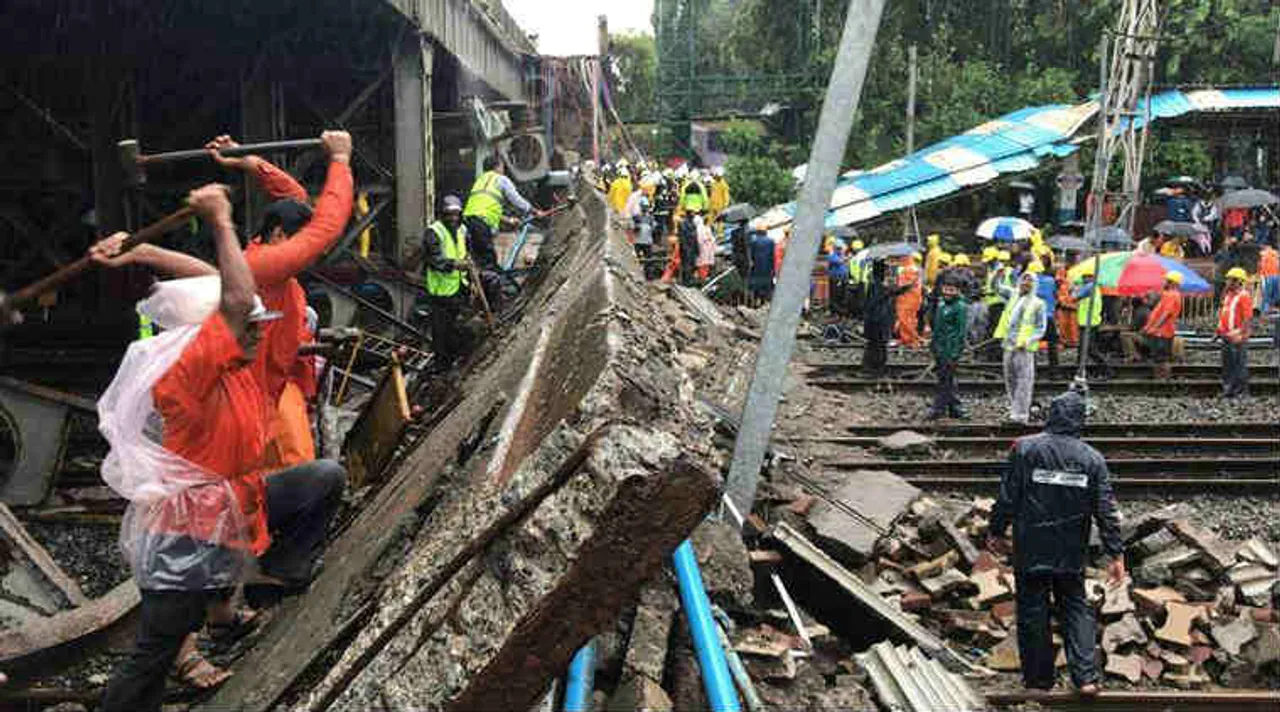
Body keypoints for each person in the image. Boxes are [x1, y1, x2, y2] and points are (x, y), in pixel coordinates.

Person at [97, 185, 345, 711]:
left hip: (231, 509)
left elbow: (218, 285)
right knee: (155, 652)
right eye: (251, 329)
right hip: (186, 536)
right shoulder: (189, 372)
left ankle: (273, 577)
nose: (258, 336)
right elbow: (232, 299)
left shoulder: (231, 364)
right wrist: (221, 219)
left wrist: (144, 252)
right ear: (213, 335)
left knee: (323, 478)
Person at [987, 388, 1125, 696]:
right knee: (1076, 608)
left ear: (1051, 415)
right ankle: (1086, 677)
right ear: (1080, 421)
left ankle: (1038, 681)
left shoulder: (1024, 449)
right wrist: (1115, 553)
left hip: (1031, 545)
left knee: (1033, 612)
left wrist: (995, 530)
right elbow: (1105, 510)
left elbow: (1007, 497)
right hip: (1070, 549)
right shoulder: (1092, 459)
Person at [412, 195, 471, 370]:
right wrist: (454, 264)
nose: (453, 218)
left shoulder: (463, 230)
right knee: (441, 332)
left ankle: (456, 360)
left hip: (460, 287)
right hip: (441, 293)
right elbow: (434, 260)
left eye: (456, 214)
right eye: (449, 214)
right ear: (442, 214)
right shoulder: (434, 231)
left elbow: (467, 252)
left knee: (456, 328)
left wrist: (468, 265)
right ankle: (442, 367)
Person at [463, 155, 542, 272]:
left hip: (467, 222)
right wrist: (535, 211)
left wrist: (508, 220)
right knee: (489, 263)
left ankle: (481, 285)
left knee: (478, 261)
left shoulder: (480, 180)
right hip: (481, 225)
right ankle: (494, 287)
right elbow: (516, 200)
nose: (503, 168)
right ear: (498, 167)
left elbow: (485, 209)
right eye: (502, 165)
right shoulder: (501, 179)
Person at [995, 272, 1047, 425]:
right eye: (1024, 279)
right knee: (1009, 379)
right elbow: (997, 288)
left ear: (1034, 284)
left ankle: (1020, 416)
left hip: (1024, 348)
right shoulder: (1013, 295)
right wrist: (997, 276)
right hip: (1009, 344)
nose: (1026, 283)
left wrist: (1029, 340)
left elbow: (1040, 328)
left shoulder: (1038, 304)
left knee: (1024, 381)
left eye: (1029, 281)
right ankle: (1014, 410)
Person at [927, 274, 969, 419]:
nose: (947, 292)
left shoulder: (960, 307)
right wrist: (933, 344)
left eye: (951, 290)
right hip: (939, 348)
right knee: (945, 379)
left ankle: (938, 409)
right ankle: (955, 408)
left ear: (957, 291)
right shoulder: (941, 304)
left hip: (949, 350)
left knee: (945, 380)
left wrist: (955, 353)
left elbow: (960, 332)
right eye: (946, 289)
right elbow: (937, 328)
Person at [863, 260, 905, 377]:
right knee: (878, 345)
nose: (888, 272)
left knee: (874, 345)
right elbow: (880, 298)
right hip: (878, 322)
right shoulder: (878, 286)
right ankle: (875, 369)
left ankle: (871, 367)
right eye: (885, 270)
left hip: (875, 321)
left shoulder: (876, 284)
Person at [1218, 267, 1254, 397]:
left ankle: (1240, 391)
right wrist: (1218, 332)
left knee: (1238, 364)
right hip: (1226, 335)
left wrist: (1241, 334)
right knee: (1228, 364)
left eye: (1229, 280)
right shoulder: (1228, 296)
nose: (1227, 282)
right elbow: (1224, 314)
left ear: (1237, 281)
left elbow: (1247, 318)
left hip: (1237, 335)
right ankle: (1229, 389)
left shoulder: (1244, 296)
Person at [1142, 272, 1183, 379]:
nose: (1164, 282)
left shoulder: (1172, 295)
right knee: (1158, 357)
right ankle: (1160, 379)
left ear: (1172, 283)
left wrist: (1156, 327)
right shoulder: (1169, 294)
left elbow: (1167, 313)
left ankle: (1164, 380)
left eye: (1167, 280)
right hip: (1160, 331)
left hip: (1163, 332)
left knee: (1161, 358)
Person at [1073, 274, 1111, 377]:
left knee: (1089, 349)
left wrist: (1074, 289)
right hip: (1087, 322)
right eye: (1084, 276)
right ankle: (1080, 371)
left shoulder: (1089, 287)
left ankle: (1106, 369)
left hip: (1089, 323)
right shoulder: (1094, 287)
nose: (1084, 279)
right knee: (1083, 349)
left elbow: (1075, 297)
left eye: (1088, 276)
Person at [1029, 261, 1059, 369]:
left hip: (1034, 317)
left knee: (1032, 344)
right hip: (1048, 316)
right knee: (1052, 344)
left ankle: (1033, 369)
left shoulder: (1029, 283)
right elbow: (1056, 295)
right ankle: (1054, 371)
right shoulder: (1051, 281)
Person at [894, 253, 923, 348]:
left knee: (906, 320)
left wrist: (894, 288)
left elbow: (905, 285)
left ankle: (912, 340)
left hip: (908, 299)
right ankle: (906, 338)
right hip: (909, 298)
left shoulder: (909, 269)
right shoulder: (911, 268)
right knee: (907, 320)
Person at [695, 214, 716, 281]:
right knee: (703, 263)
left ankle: (704, 276)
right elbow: (701, 238)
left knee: (706, 263)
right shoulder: (700, 229)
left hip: (708, 248)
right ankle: (702, 277)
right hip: (703, 247)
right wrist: (708, 238)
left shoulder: (707, 228)